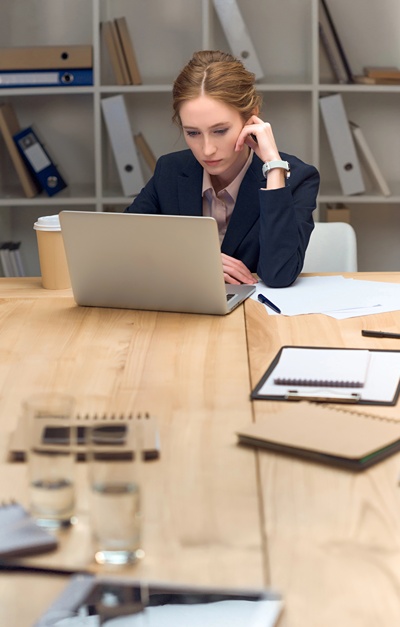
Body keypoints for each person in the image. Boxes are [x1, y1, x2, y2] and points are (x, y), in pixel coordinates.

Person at [125, 50, 320, 288]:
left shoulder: (298, 178)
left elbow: (278, 275)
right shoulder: (171, 170)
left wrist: (274, 169)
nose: (207, 150)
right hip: (187, 311)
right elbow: (125, 245)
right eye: (193, 133)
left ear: (251, 119)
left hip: (257, 316)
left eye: (220, 131)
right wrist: (198, 260)